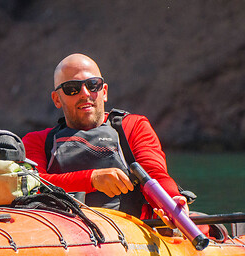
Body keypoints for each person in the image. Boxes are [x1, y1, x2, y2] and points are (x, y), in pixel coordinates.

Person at [22, 53, 188, 221]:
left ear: (104, 91)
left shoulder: (133, 126)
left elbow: (155, 174)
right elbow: (32, 184)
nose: (85, 93)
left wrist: (172, 199)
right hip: (63, 232)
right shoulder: (37, 141)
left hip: (129, 232)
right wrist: (92, 179)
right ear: (57, 99)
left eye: (93, 84)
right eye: (72, 88)